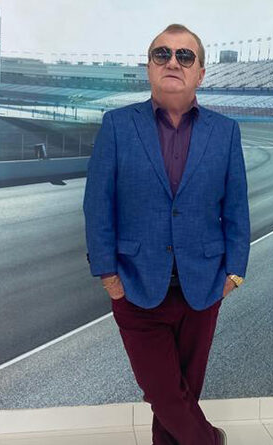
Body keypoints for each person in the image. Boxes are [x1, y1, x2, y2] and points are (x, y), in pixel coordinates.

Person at [83, 24, 250, 445]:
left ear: (201, 73)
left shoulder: (225, 131)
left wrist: (234, 274)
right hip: (135, 285)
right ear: (149, 67)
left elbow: (236, 209)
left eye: (185, 56)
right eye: (162, 54)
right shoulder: (118, 125)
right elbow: (98, 205)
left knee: (181, 397)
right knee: (166, 395)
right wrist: (108, 275)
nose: (173, 62)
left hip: (203, 288)